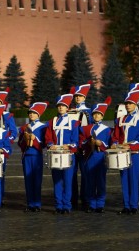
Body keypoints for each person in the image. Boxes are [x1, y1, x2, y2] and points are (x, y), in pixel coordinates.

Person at [111, 88, 139, 215]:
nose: (128, 105)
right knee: (124, 180)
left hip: (134, 154)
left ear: (136, 105)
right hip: (122, 153)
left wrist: (130, 147)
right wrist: (115, 144)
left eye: (131, 103)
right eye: (126, 103)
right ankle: (126, 205)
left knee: (134, 179)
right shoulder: (120, 119)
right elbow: (115, 136)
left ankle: (134, 205)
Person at [45, 93, 80, 214]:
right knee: (57, 182)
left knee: (68, 181)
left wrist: (69, 146)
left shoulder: (74, 122)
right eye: (59, 105)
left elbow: (76, 141)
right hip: (55, 155)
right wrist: (50, 145)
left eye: (63, 105)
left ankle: (67, 205)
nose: (60, 107)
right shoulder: (51, 122)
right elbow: (48, 138)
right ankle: (58, 205)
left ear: (67, 108)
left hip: (68, 155)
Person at [79, 97, 112, 213]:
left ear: (102, 116)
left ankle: (100, 204)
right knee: (90, 181)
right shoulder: (85, 129)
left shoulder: (107, 129)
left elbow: (109, 143)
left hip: (101, 157)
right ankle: (92, 204)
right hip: (89, 157)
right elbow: (81, 142)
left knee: (101, 181)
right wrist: (88, 142)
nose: (96, 116)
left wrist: (100, 143)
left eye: (99, 114)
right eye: (95, 114)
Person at [17, 101, 48, 212]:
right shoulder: (24, 127)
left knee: (37, 180)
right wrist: (25, 139)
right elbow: (19, 143)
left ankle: (37, 204)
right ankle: (30, 203)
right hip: (26, 156)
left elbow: (44, 143)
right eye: (30, 113)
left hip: (36, 156)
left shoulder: (43, 127)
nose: (31, 115)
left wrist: (35, 139)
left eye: (34, 113)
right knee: (28, 180)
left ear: (38, 115)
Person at [69, 81, 92, 210]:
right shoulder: (69, 111)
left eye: (80, 96)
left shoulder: (89, 111)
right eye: (76, 96)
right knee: (71, 174)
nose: (77, 98)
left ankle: (86, 199)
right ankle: (72, 199)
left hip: (84, 147)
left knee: (85, 174)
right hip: (72, 146)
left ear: (84, 97)